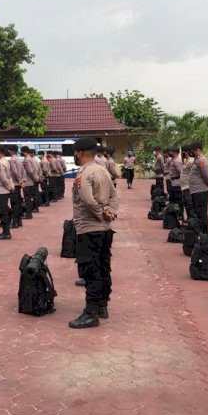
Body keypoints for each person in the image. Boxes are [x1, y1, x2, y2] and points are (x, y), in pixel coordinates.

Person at [69, 137, 119, 329]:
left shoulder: (85, 172)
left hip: (89, 228)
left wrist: (100, 214)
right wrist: (110, 213)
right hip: (105, 229)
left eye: (75, 153)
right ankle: (102, 306)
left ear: (80, 153)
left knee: (90, 270)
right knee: (103, 267)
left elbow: (88, 200)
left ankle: (90, 313)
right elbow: (114, 195)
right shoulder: (103, 170)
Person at [189, 141, 208, 232]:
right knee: (198, 213)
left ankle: (204, 233)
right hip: (196, 191)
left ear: (198, 150)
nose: (191, 152)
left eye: (192, 150)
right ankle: (199, 232)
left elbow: (206, 175)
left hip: (201, 191)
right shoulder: (197, 159)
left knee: (201, 213)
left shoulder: (202, 160)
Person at [0, 145, 14, 240]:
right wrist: (11, 186)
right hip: (5, 190)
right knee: (5, 210)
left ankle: (6, 233)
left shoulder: (1, 163)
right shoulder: (6, 161)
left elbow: (3, 178)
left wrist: (9, 187)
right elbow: (9, 177)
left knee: (1, 211)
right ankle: (6, 231)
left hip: (1, 190)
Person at [7, 145, 25, 227]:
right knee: (18, 202)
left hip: (14, 183)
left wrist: (19, 180)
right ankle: (19, 221)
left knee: (14, 204)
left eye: (9, 150)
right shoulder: (19, 159)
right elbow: (22, 170)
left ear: (11, 151)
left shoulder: (12, 160)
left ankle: (14, 222)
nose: (8, 151)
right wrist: (21, 179)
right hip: (18, 184)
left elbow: (14, 172)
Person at [21, 146, 37, 217]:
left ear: (24, 151)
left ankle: (28, 213)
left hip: (27, 181)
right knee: (29, 197)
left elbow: (30, 171)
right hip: (30, 181)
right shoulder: (31, 158)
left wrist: (33, 178)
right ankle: (29, 212)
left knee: (27, 198)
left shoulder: (27, 160)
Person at [180, 146, 194, 221]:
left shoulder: (191, 161)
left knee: (189, 204)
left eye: (183, 152)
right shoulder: (186, 161)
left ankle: (191, 220)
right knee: (186, 204)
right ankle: (189, 220)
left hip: (188, 186)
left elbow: (192, 173)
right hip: (184, 186)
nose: (182, 153)